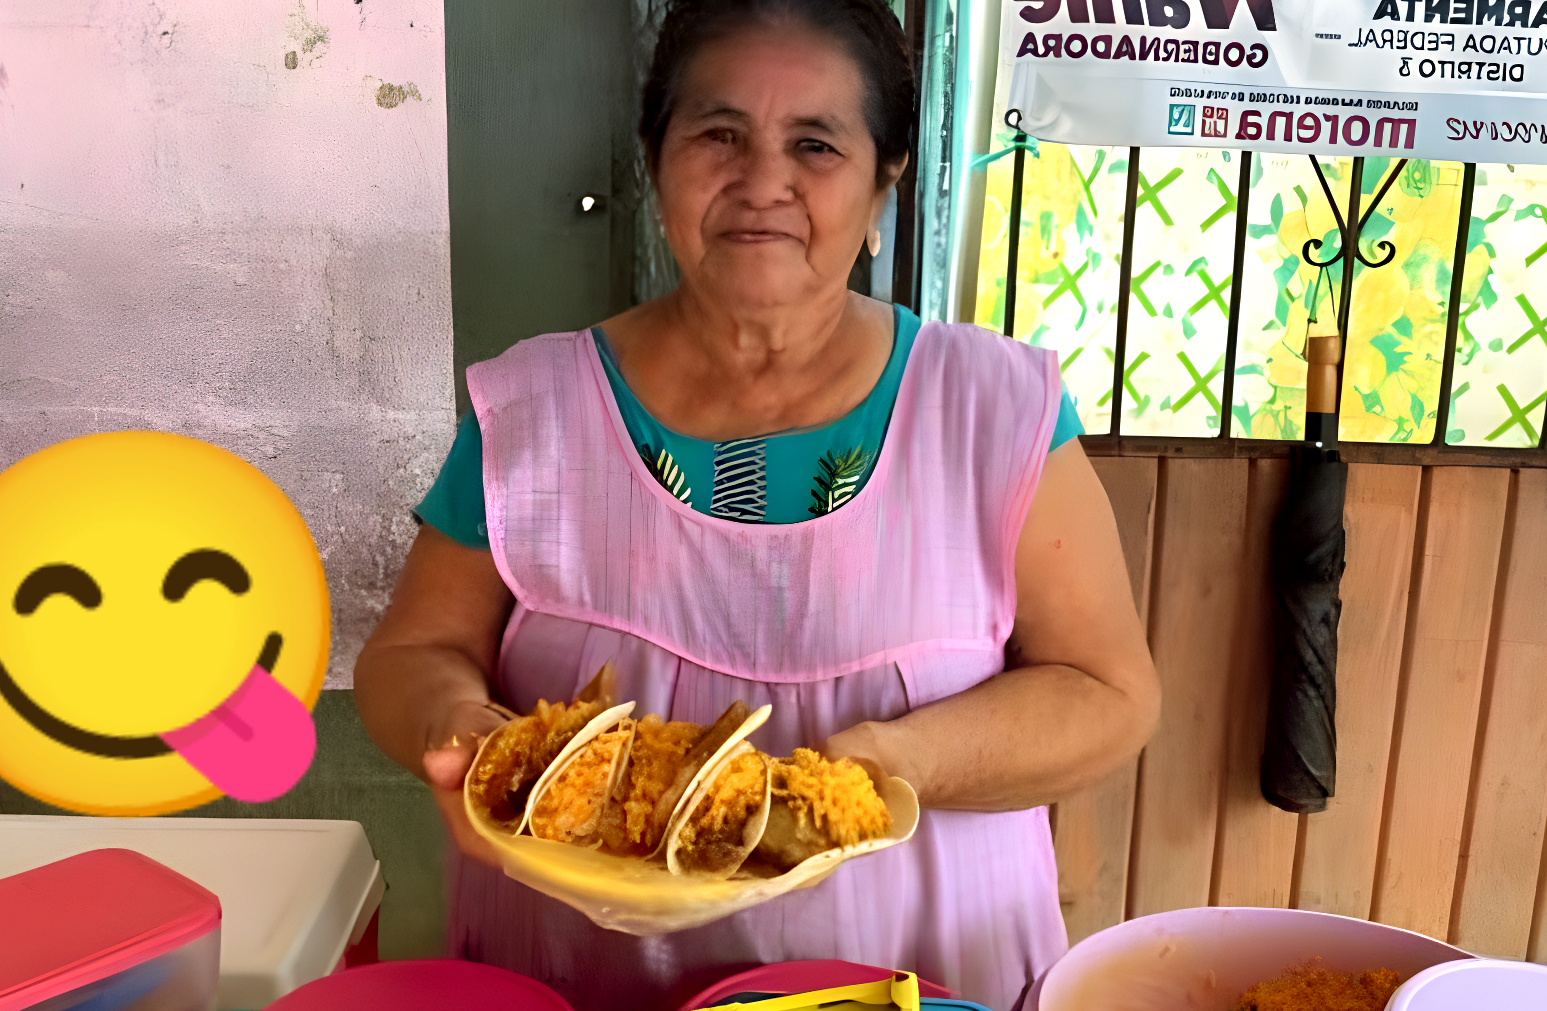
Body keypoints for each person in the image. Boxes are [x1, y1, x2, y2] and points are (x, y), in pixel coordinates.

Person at [354, 1, 1160, 1008]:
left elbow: (1108, 693)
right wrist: (463, 732)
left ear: (884, 181)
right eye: (718, 134)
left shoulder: (995, 412)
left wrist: (889, 764)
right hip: (576, 968)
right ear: (657, 163)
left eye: (815, 143)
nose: (762, 181)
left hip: (919, 972)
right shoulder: (534, 409)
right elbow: (409, 654)